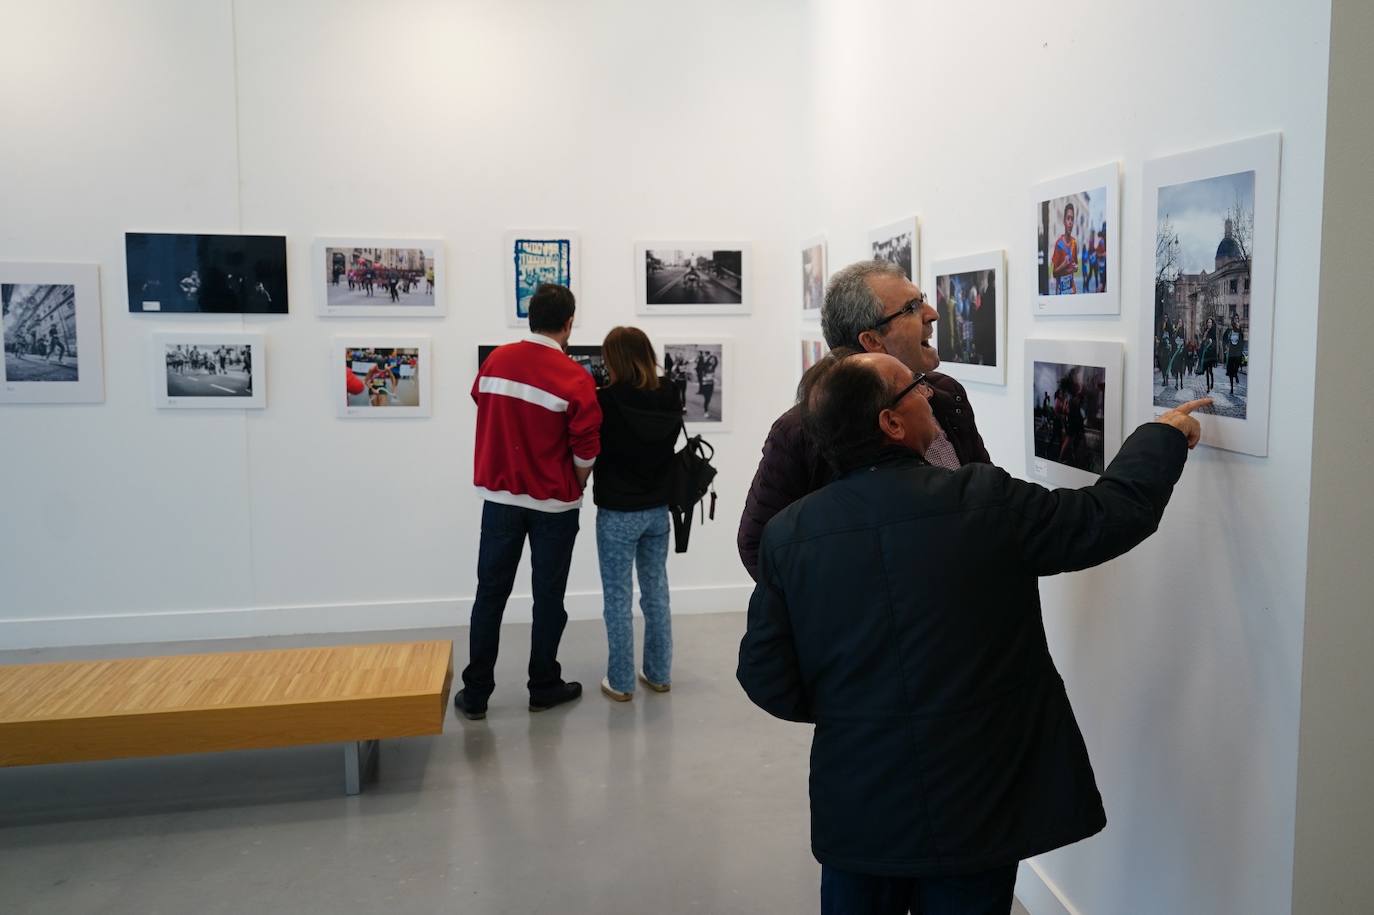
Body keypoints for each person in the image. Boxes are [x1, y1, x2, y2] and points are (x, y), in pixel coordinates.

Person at [737, 350, 1209, 914]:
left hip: (859, 802)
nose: (929, 393)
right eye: (913, 387)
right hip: (979, 797)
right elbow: (1105, 518)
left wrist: (854, 711)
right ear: (890, 423)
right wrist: (1162, 436)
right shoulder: (980, 500)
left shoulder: (790, 534)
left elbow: (764, 674)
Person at [737, 259, 989, 582]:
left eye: (922, 298)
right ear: (871, 341)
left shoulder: (945, 396)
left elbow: (985, 494)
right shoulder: (800, 431)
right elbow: (759, 545)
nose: (933, 314)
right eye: (912, 308)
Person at [455, 283, 601, 720]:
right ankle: (543, 685)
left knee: (490, 596)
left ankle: (477, 692)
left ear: (530, 317)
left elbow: (482, 401)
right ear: (569, 323)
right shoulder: (575, 377)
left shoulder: (497, 360)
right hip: (554, 504)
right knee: (548, 597)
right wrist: (577, 482)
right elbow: (587, 448)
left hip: (499, 499)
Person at [592, 327, 682, 702]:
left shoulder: (605, 400)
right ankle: (659, 674)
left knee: (617, 597)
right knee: (656, 591)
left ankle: (622, 681)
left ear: (613, 359)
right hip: (657, 510)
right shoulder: (670, 393)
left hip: (617, 511)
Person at [1050, 202, 1079, 294]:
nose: (1070, 222)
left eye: (1072, 219)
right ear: (1064, 221)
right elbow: (1054, 273)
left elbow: (1075, 267)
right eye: (1068, 218)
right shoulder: (1059, 244)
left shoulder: (1074, 243)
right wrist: (1064, 264)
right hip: (1061, 292)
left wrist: (1075, 268)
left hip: (1072, 290)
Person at [1224, 314, 1245, 397]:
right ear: (1233, 320)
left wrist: (1240, 330)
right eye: (1235, 318)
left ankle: (1236, 374)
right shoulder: (1230, 329)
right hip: (1231, 351)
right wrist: (1226, 346)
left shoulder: (1239, 329)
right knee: (1230, 371)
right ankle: (1232, 388)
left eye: (1237, 318)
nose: (1236, 320)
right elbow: (1224, 337)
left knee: (1236, 367)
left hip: (1237, 352)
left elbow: (1242, 339)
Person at [1198, 316, 1219, 393]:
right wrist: (1204, 337)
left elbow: (1214, 342)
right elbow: (1203, 341)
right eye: (1208, 322)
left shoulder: (1213, 331)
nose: (1209, 324)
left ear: (1212, 323)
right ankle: (1208, 387)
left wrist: (1211, 343)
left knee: (1210, 371)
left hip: (1211, 354)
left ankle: (1212, 383)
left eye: (1210, 322)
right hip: (1206, 353)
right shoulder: (1205, 331)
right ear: (1206, 323)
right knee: (1206, 371)